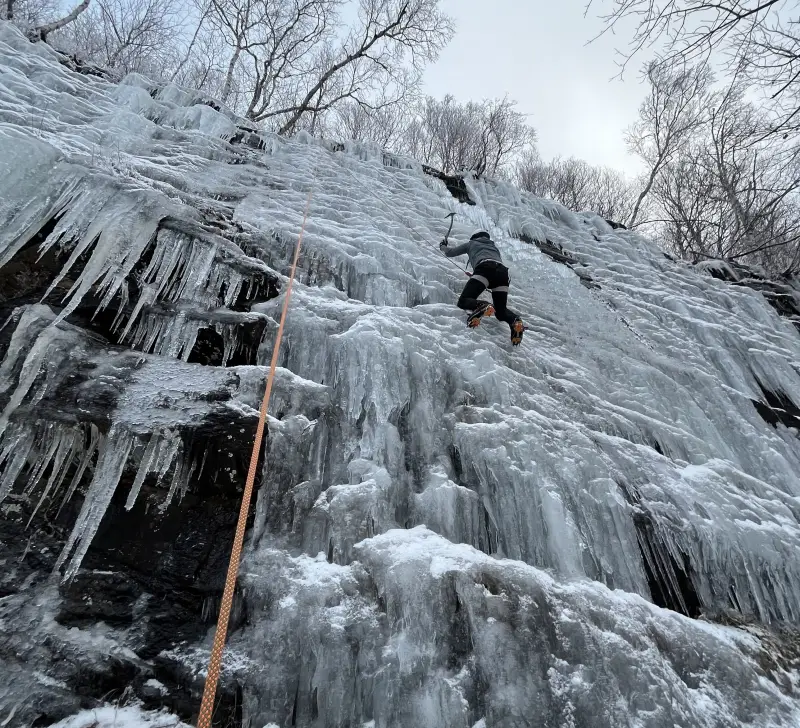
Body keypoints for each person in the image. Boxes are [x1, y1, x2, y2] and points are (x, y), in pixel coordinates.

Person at [440, 231, 525, 345]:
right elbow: (492, 266)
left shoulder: (471, 243)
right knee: (500, 312)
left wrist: (443, 245)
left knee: (464, 301)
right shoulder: (493, 247)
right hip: (502, 274)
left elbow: (450, 252)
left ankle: (482, 306)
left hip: (484, 269)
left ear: (474, 238)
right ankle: (515, 320)